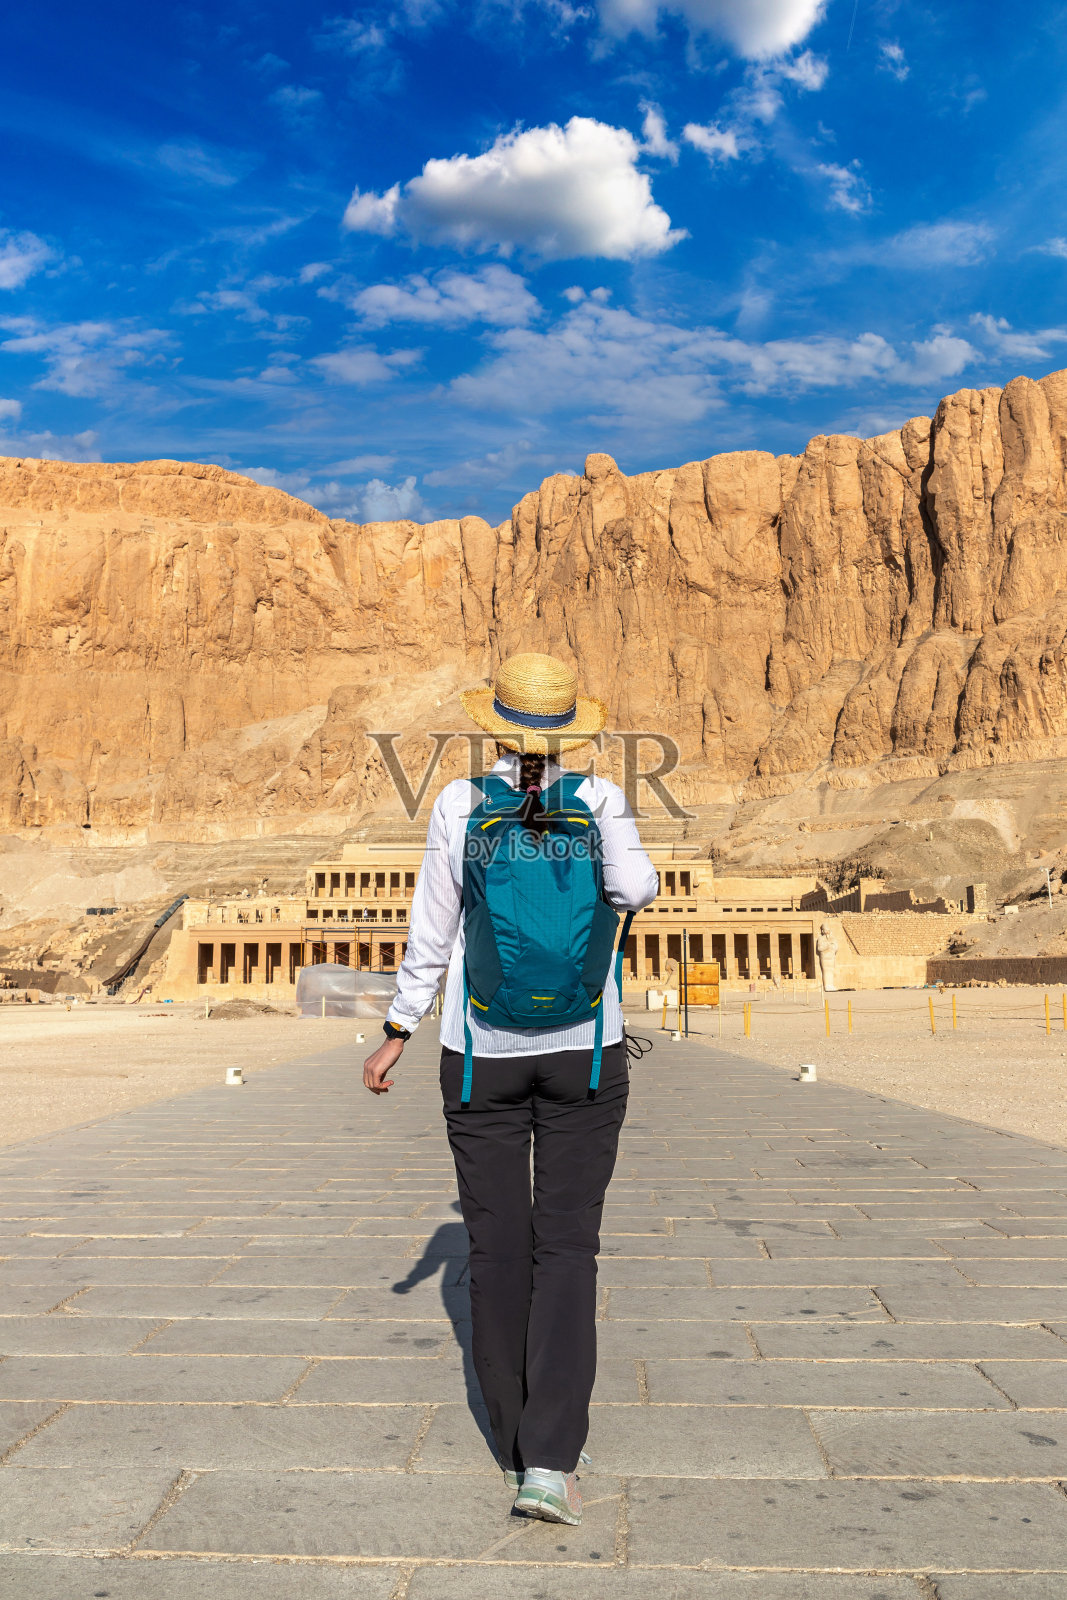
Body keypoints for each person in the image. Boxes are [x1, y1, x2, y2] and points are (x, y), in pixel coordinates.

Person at [362, 651, 657, 1526]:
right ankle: (551, 1461)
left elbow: (431, 934)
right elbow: (635, 889)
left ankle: (514, 1439)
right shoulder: (599, 802)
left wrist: (395, 1033)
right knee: (567, 1249)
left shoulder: (458, 805)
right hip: (586, 1056)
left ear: (494, 727)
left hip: (477, 1052)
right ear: (571, 731)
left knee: (493, 1253)